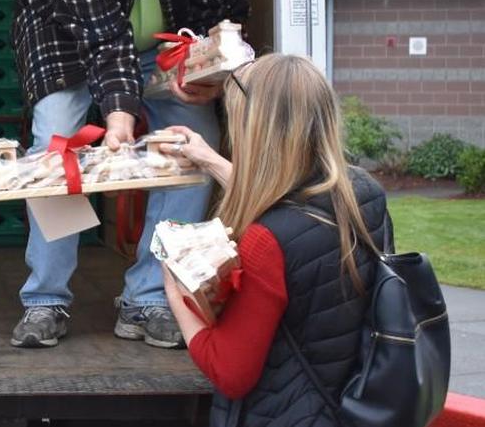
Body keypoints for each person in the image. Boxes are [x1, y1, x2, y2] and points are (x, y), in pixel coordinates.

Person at [9, 0, 250, 349]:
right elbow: (102, 38)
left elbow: (220, 3)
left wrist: (203, 68)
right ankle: (46, 298)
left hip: (161, 47)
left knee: (194, 149)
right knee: (58, 148)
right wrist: (119, 114)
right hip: (67, 37)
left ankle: (149, 297)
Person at [159, 54, 391, 426]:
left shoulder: (266, 242)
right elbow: (292, 196)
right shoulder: (364, 194)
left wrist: (176, 292)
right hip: (349, 401)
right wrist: (208, 159)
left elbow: (230, 373)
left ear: (253, 130)